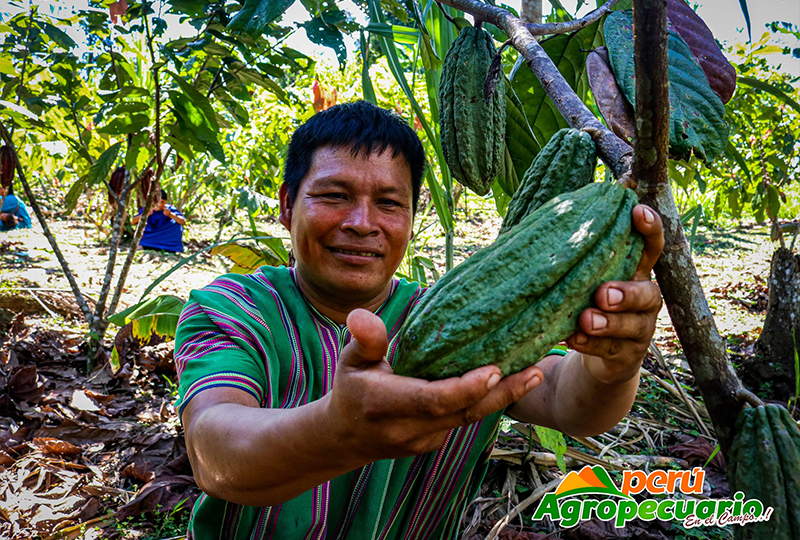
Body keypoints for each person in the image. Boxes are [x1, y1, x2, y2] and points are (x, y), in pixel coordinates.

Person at [175, 100, 664, 540]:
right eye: (334, 195)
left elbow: (566, 400)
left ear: (412, 216)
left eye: (389, 203)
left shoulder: (463, 319)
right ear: (286, 205)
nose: (362, 222)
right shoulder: (234, 308)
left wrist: (614, 363)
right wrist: (337, 430)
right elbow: (214, 452)